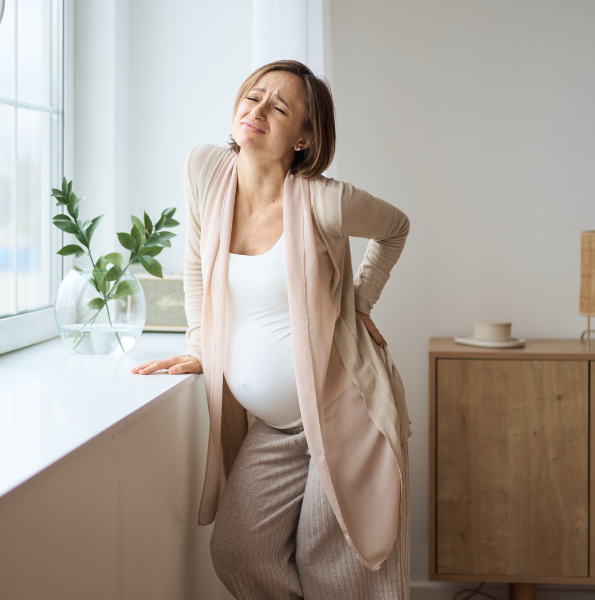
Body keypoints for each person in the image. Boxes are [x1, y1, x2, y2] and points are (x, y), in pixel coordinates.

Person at [131, 60, 412, 599]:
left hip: (342, 414)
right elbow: (196, 265)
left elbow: (396, 228)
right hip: (278, 426)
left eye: (278, 107)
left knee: (331, 569)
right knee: (240, 552)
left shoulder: (325, 201)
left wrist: (358, 304)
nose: (256, 110)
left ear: (304, 138)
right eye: (252, 96)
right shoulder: (205, 172)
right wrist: (199, 348)